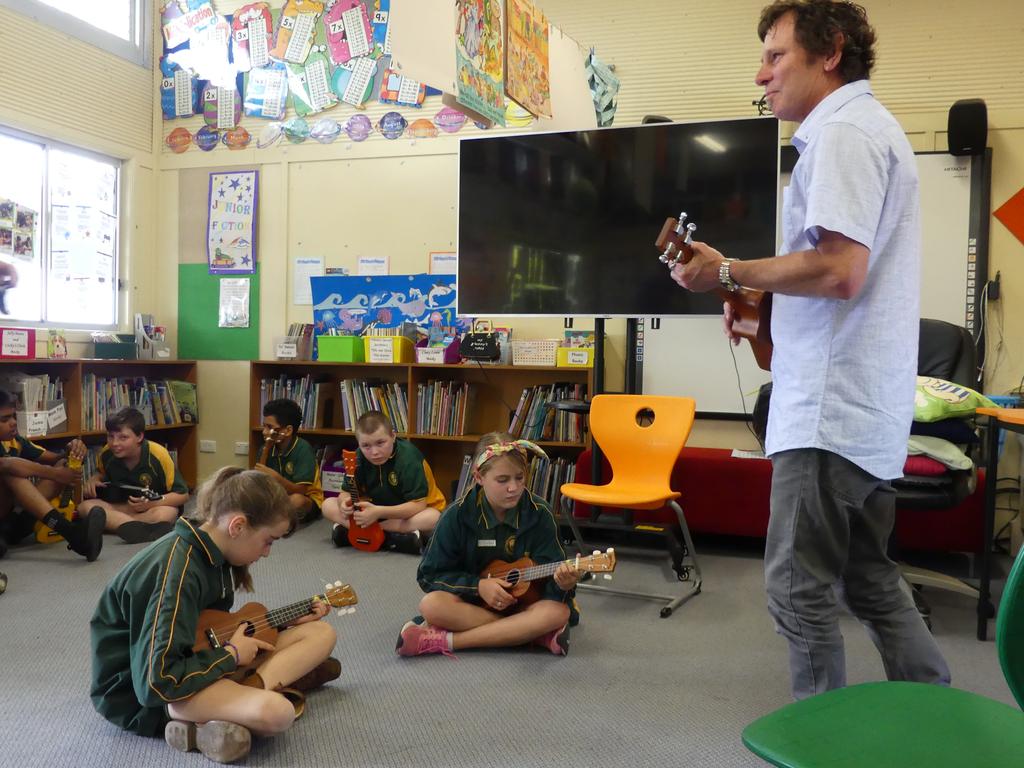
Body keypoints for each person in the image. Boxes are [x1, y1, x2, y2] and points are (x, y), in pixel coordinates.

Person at [670, 0, 949, 699]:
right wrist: (763, 312)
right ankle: (934, 713)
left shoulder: (844, 132)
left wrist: (729, 271)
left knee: (798, 593)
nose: (761, 75)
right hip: (856, 410)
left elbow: (838, 270)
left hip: (828, 417)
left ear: (830, 54)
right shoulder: (861, 128)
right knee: (869, 578)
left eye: (775, 56)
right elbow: (842, 278)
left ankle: (823, 743)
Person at [90, 467, 340, 764]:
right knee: (278, 713)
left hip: (196, 660)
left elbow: (209, 629)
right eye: (268, 540)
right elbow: (156, 682)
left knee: (321, 633)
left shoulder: (213, 552)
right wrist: (232, 657)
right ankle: (214, 714)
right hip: (142, 695)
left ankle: (233, 702)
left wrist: (282, 623)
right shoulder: (176, 574)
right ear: (238, 526)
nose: (267, 552)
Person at [396, 433, 579, 657]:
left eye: (520, 478)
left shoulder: (540, 513)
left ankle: (450, 641)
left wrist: (564, 584)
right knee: (431, 605)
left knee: (556, 613)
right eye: (502, 480)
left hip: (528, 605)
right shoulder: (457, 515)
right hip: (475, 605)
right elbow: (430, 575)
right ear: (479, 477)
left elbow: (554, 575)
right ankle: (529, 634)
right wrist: (478, 586)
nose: (514, 487)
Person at [0, 389, 105, 561]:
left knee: (62, 465)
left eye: (13, 417)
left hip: (10, 522)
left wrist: (72, 450)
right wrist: (57, 474)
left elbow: (55, 458)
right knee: (11, 472)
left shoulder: (14, 441)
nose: (13, 423)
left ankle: (21, 526)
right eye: (4, 419)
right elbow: (5, 464)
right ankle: (73, 535)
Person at [322, 410, 445, 554]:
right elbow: (345, 492)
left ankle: (366, 533)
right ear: (359, 444)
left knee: (434, 518)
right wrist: (344, 504)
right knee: (327, 505)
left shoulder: (409, 460)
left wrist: (378, 512)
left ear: (393, 436)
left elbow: (418, 505)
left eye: (380, 443)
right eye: (366, 446)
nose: (374, 452)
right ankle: (394, 539)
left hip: (407, 513)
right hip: (373, 512)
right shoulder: (357, 458)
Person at [82, 407, 189, 544]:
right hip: (123, 506)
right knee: (85, 507)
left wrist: (151, 504)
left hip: (153, 507)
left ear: (139, 437)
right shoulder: (107, 454)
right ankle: (140, 528)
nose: (115, 443)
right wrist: (93, 479)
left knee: (166, 513)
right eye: (110, 436)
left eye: (123, 437)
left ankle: (116, 525)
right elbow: (101, 473)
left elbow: (182, 495)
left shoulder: (158, 455)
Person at [254, 398, 323, 526]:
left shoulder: (303, 449)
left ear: (288, 430)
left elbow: (301, 490)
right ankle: (274, 516)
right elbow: (259, 484)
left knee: (297, 501)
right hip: (277, 497)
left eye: (270, 427)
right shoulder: (266, 448)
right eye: (264, 426)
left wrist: (277, 478)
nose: (264, 432)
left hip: (306, 498)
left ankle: (272, 518)